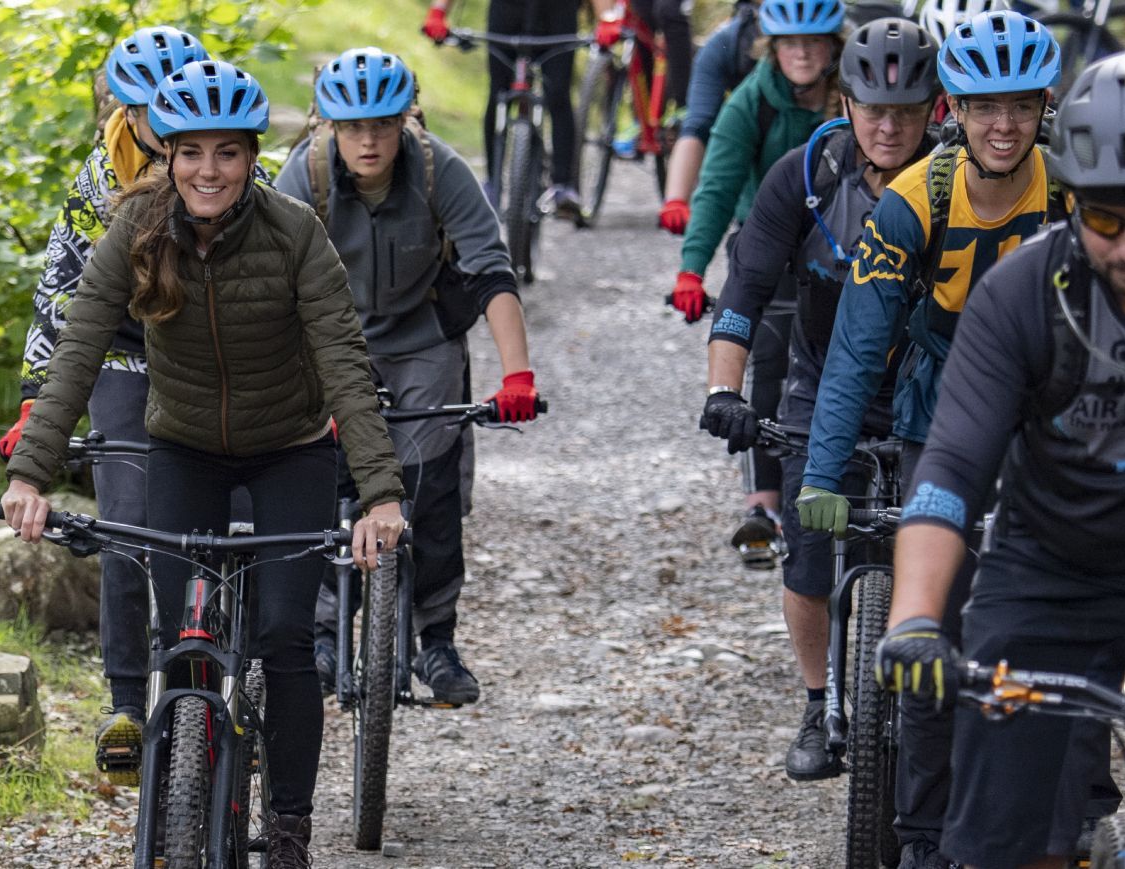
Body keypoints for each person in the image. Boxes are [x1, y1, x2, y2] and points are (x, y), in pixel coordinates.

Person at [0, 60, 407, 866]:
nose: (208, 170)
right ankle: (179, 796)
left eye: (227, 152)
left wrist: (378, 493)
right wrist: (30, 473)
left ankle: (288, 825)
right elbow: (78, 349)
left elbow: (343, 363)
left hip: (290, 447)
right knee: (179, 638)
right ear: (168, 155)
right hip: (182, 448)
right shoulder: (136, 227)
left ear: (253, 157)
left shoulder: (295, 232)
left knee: (286, 638)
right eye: (191, 152)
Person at [795, 11, 1064, 865]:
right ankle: (918, 831)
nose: (1001, 125)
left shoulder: (1068, 193)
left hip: (1046, 419)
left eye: (1020, 106)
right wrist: (822, 473)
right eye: (984, 106)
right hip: (938, 413)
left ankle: (1074, 809)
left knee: (1060, 613)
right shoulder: (916, 202)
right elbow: (856, 348)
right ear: (951, 106)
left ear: (1043, 107)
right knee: (929, 626)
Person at [875, 52, 1125, 869]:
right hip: (1045, 569)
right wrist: (914, 618)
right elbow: (949, 470)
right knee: (1009, 845)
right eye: (1105, 220)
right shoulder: (1022, 293)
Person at [701, 17, 939, 780]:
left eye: (906, 111)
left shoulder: (960, 182)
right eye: (874, 109)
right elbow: (742, 292)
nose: (889, 126)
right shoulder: (804, 175)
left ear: (935, 108)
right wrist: (722, 386)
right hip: (818, 380)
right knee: (806, 553)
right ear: (844, 102)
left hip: (932, 391)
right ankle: (817, 701)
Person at [275, 47, 539, 706]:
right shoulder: (300, 176)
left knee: (430, 481)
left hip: (422, 338)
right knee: (320, 474)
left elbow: (489, 270)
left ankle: (436, 638)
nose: (368, 140)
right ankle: (324, 629)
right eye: (352, 126)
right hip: (328, 343)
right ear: (327, 125)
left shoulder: (436, 168)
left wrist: (517, 375)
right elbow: (270, 285)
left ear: (406, 120)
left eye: (384, 124)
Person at [0, 25, 209, 787]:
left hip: (210, 354)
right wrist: (34, 399)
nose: (167, 119)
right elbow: (59, 291)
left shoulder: (228, 161)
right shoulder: (97, 177)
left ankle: (214, 674)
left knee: (211, 523)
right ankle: (124, 698)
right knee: (123, 518)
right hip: (120, 350)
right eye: (149, 108)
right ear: (122, 108)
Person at [669, 0, 846, 569]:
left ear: (835, 45)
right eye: (790, 42)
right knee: (770, 354)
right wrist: (691, 269)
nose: (802, 52)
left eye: (814, 41)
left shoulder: (856, 97)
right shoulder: (751, 102)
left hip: (847, 242)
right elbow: (717, 186)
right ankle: (765, 503)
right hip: (768, 239)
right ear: (770, 45)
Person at [421, 0, 623, 219]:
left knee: (557, 94)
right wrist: (438, 12)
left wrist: (607, 19)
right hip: (507, 10)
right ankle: (492, 182)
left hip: (558, 13)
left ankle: (563, 186)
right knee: (499, 94)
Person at [659, 0, 764, 235]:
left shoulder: (849, 47)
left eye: (813, 42)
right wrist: (676, 199)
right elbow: (697, 125)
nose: (801, 52)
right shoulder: (728, 44)